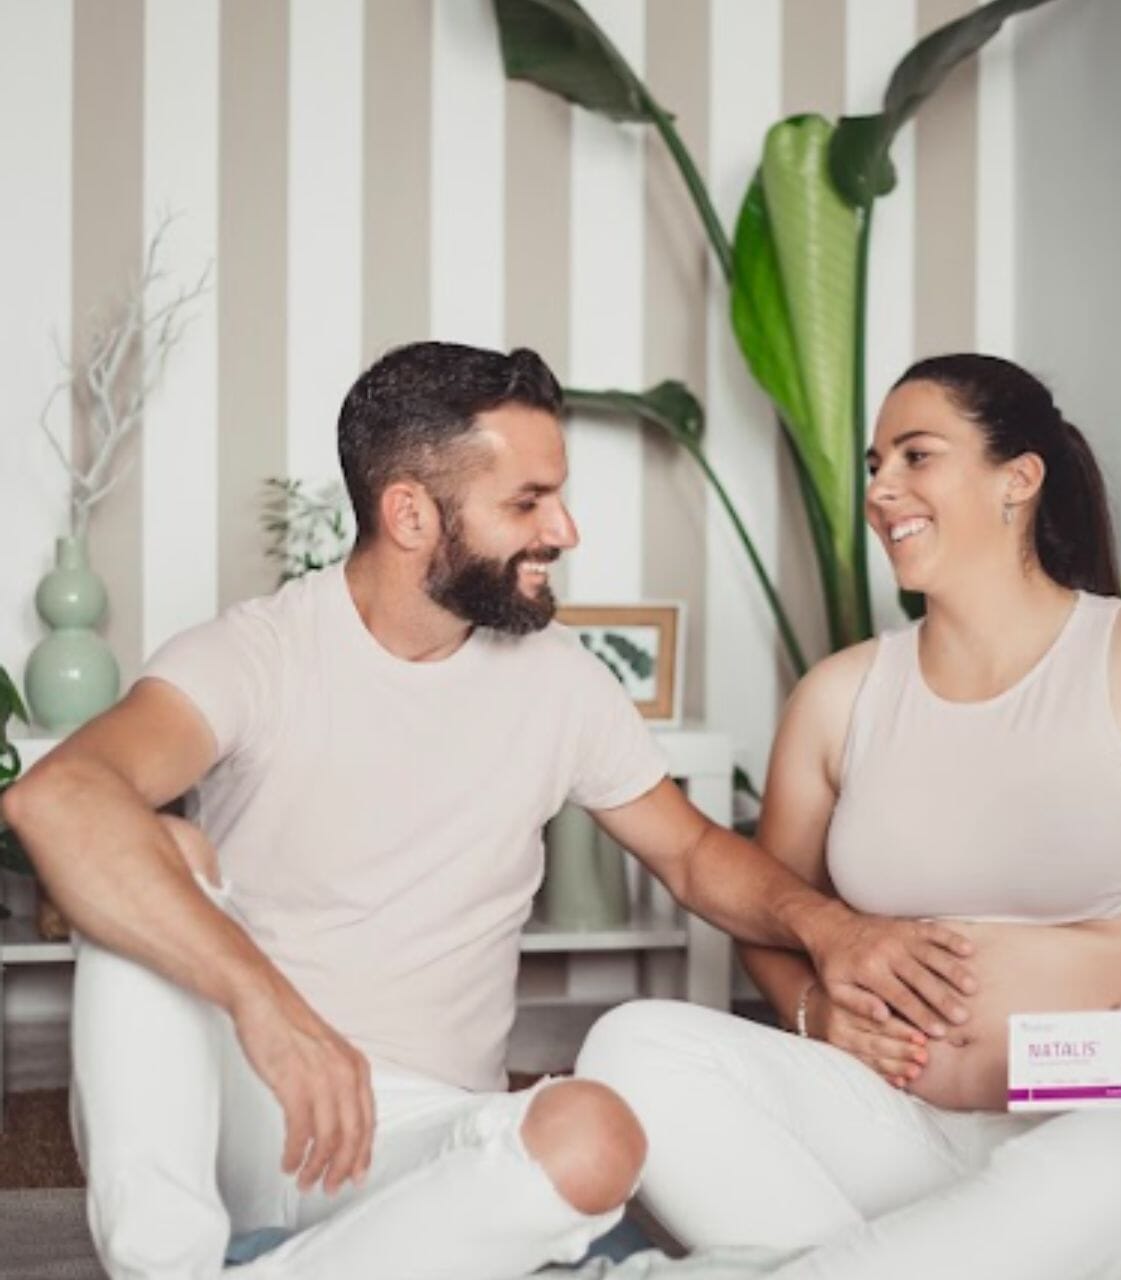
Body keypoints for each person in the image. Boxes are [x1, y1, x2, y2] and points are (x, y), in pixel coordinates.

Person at [1, 342, 953, 1280]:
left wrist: (832, 930)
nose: (565, 530)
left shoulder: (559, 682)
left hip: (420, 1136)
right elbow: (57, 799)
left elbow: (696, 854)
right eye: (528, 502)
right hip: (241, 1108)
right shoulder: (259, 653)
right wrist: (270, 1007)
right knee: (145, 842)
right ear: (411, 514)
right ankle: (165, 1265)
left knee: (593, 1135)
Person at [577, 353, 1121, 1280]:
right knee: (633, 1043)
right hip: (894, 1139)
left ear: (1018, 479)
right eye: (876, 466)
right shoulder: (840, 696)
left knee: (1095, 1170)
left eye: (916, 456)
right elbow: (773, 911)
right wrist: (815, 1010)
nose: (882, 490)